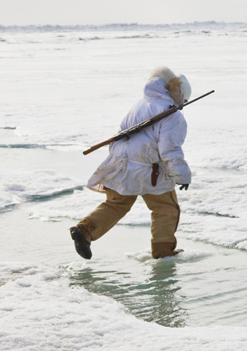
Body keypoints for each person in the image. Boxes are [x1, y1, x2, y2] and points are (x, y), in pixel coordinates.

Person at [70, 67, 192, 259]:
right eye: (184, 101)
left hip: (120, 166)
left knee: (116, 204)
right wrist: (182, 175)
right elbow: (169, 150)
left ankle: (84, 230)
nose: (183, 106)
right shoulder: (172, 116)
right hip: (150, 172)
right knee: (165, 209)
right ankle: (163, 252)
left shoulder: (141, 104)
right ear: (178, 95)